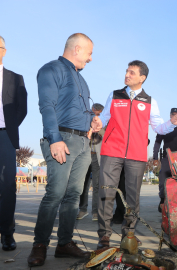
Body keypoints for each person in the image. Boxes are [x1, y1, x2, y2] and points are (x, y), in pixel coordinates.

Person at [95, 60, 177, 249]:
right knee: (106, 192)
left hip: (136, 155)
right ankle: (104, 236)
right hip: (111, 151)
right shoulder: (114, 95)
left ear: (142, 78)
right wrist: (97, 122)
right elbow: (104, 118)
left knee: (132, 197)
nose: (127, 75)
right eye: (126, 71)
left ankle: (128, 234)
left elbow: (159, 128)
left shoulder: (150, 101)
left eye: (132, 72)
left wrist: (173, 122)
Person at [28, 33, 100, 267]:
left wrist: (93, 121)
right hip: (62, 139)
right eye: (89, 53)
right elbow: (47, 106)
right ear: (77, 49)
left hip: (82, 143)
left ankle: (64, 244)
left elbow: (78, 109)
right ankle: (40, 245)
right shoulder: (51, 70)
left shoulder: (82, 79)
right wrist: (55, 139)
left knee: (73, 196)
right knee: (55, 194)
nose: (90, 59)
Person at [0, 35, 27, 252]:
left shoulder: (16, 78)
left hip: (4, 136)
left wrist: (10, 128)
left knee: (7, 186)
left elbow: (22, 108)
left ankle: (7, 233)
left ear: (4, 51)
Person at [153, 108, 177, 212]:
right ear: (170, 115)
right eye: (173, 114)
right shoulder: (164, 128)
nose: (175, 116)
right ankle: (162, 200)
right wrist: (155, 157)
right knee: (164, 179)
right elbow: (157, 143)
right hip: (166, 157)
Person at [77, 103, 105, 221]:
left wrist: (98, 130)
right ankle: (82, 210)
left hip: (97, 157)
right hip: (85, 155)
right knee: (83, 184)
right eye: (94, 114)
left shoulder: (104, 125)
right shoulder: (85, 124)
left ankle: (95, 212)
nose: (96, 117)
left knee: (97, 185)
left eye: (99, 115)